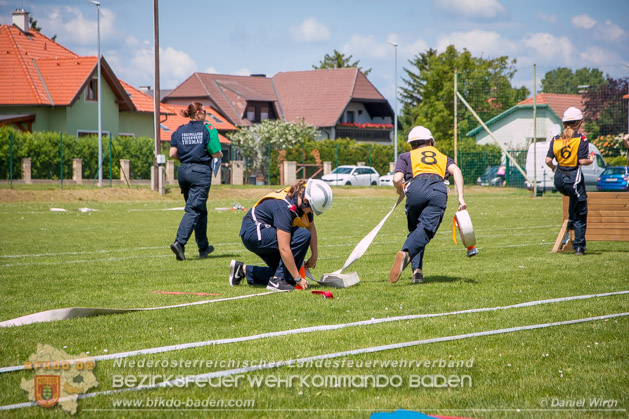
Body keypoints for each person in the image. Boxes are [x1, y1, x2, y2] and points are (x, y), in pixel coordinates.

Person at [389, 126, 466, 284]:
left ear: (412, 144)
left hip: (415, 189)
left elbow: (397, 179)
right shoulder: (442, 157)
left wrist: (399, 190)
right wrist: (461, 198)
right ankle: (406, 253)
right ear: (430, 142)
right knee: (425, 230)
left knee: (416, 231)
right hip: (437, 189)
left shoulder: (406, 156)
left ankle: (417, 272)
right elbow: (456, 171)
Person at [229, 179, 333, 292]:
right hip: (253, 231)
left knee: (288, 277)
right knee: (302, 236)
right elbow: (284, 248)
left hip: (261, 230)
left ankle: (242, 270)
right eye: (311, 209)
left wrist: (314, 255)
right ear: (305, 200)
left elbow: (311, 226)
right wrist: (298, 278)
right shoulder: (284, 207)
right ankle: (277, 281)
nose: (311, 212)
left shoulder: (302, 199)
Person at [169, 102, 223, 261]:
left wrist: (187, 159)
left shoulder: (179, 130)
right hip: (200, 172)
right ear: (198, 113)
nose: (206, 114)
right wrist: (219, 155)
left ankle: (203, 247)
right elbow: (215, 153)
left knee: (199, 209)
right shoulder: (208, 129)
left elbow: (172, 153)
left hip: (184, 172)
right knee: (193, 209)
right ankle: (179, 243)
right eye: (205, 111)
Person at [545, 106, 594, 256]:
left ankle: (569, 230)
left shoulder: (556, 139)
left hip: (559, 179)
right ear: (579, 122)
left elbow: (548, 160)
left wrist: (554, 168)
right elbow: (582, 161)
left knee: (573, 202)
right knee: (581, 211)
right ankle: (579, 247)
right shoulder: (581, 139)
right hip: (573, 178)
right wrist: (590, 160)